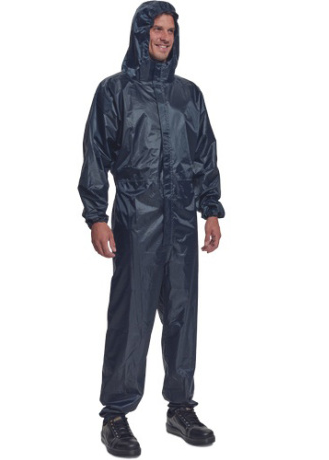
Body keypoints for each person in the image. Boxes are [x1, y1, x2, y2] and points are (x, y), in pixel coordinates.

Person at [78, 1, 225, 456]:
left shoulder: (189, 95)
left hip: (181, 221)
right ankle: (116, 416)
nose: (164, 37)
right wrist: (97, 216)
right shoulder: (115, 90)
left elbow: (204, 154)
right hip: (136, 219)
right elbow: (96, 153)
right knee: (132, 316)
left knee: (182, 314)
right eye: (157, 29)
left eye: (170, 31)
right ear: (141, 34)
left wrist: (211, 209)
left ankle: (180, 408)